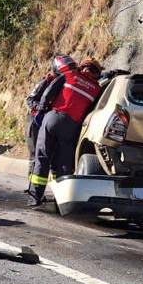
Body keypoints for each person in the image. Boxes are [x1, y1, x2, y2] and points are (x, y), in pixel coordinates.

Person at [28, 58, 103, 206]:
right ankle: (60, 200)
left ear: (82, 67)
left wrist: (42, 110)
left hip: (53, 118)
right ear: (97, 73)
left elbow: (49, 92)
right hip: (72, 126)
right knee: (63, 164)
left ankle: (34, 198)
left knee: (42, 157)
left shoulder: (70, 75)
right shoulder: (97, 89)